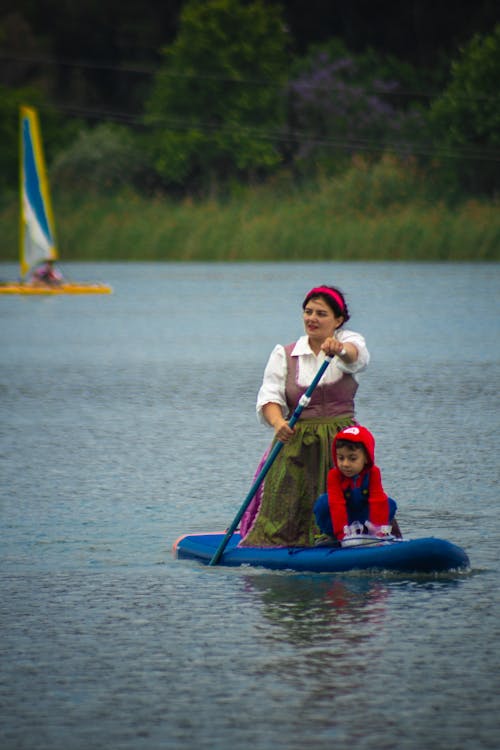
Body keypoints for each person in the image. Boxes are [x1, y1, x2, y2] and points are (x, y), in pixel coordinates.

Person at [239, 284, 370, 547]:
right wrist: (278, 423)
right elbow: (269, 398)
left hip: (341, 444)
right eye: (308, 312)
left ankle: (351, 539)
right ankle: (287, 544)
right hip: (296, 439)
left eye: (321, 314)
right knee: (286, 508)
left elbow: (357, 358)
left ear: (338, 320)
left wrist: (339, 348)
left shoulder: (349, 342)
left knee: (350, 497)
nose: (312, 318)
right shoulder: (284, 354)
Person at [313, 425, 401, 545]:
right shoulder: (334, 475)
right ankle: (332, 537)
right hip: (343, 519)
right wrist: (342, 535)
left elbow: (377, 501)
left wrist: (378, 533)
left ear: (366, 458)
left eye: (352, 459)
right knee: (322, 503)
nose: (345, 464)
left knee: (388, 503)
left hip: (364, 517)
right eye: (341, 458)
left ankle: (373, 535)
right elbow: (336, 505)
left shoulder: (373, 473)